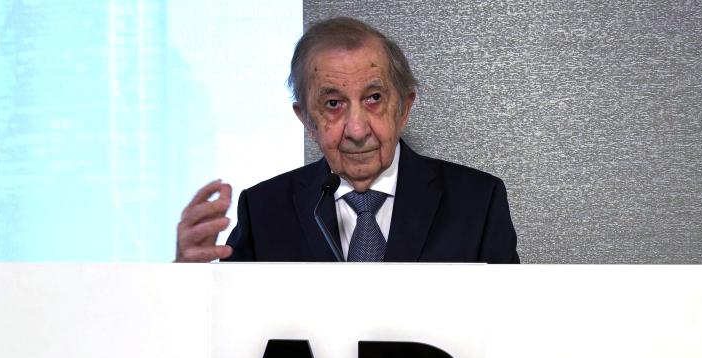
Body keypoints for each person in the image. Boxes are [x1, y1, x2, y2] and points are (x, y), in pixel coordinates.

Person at [175, 17, 518, 264]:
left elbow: (511, 333)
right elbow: (225, 338)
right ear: (306, 120)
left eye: (374, 98)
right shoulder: (265, 211)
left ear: (404, 108)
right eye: (333, 104)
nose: (356, 129)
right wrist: (187, 279)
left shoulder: (477, 203)